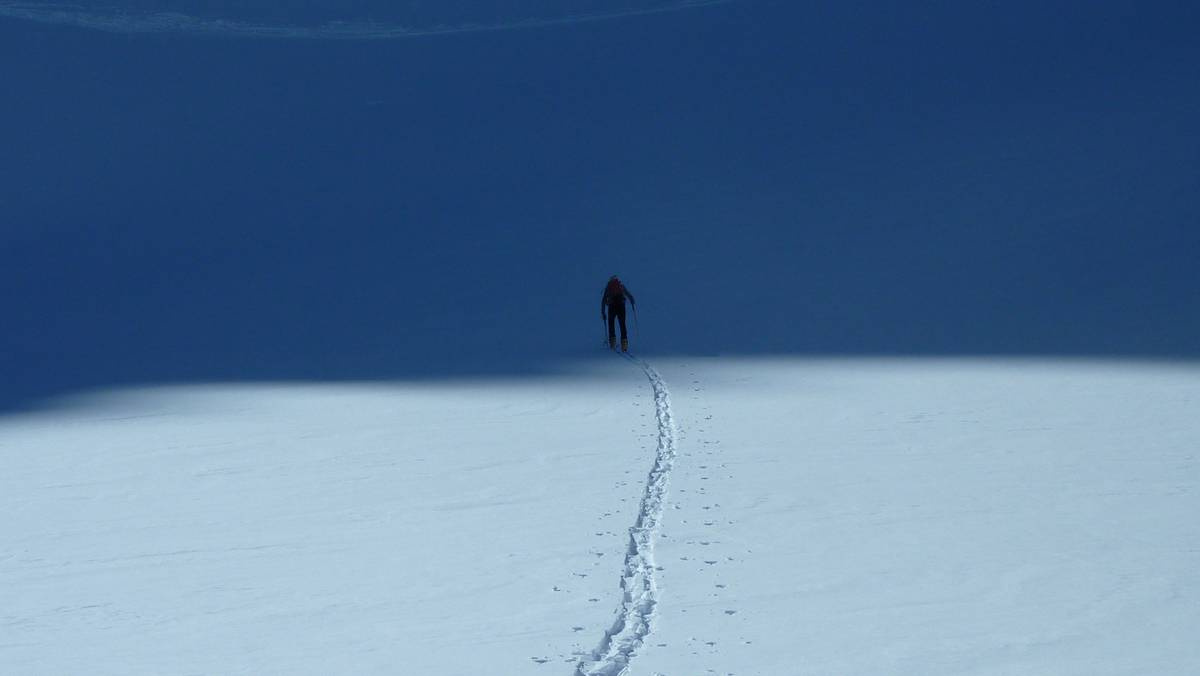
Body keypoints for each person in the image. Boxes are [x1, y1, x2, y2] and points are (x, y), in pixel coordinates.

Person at [601, 276, 636, 352]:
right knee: (622, 324)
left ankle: (612, 343)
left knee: (611, 324)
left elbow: (603, 300)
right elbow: (629, 295)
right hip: (621, 306)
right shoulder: (621, 286)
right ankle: (624, 345)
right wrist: (632, 301)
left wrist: (603, 312)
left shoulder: (608, 288)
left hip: (612, 307)